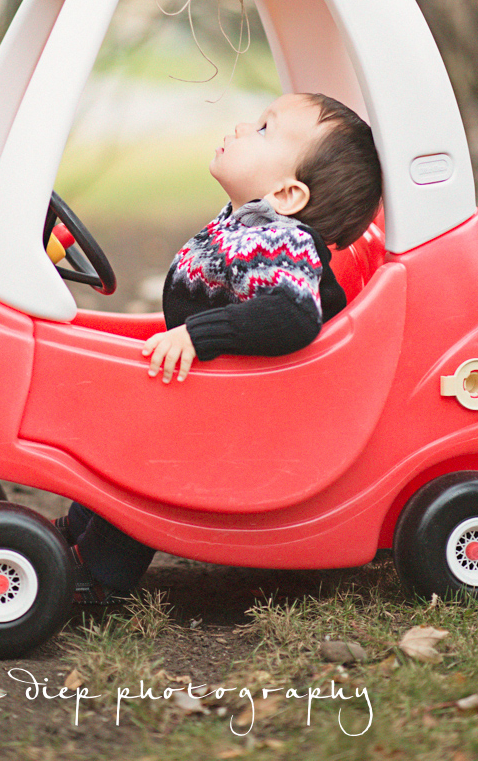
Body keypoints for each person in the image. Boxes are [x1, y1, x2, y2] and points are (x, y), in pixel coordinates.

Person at [55, 92, 383, 603]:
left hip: (257, 417)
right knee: (124, 430)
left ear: (289, 193)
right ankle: (76, 533)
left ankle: (100, 574)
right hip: (225, 397)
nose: (241, 127)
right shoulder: (240, 224)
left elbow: (291, 315)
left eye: (264, 130)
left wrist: (198, 337)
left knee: (147, 459)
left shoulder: (280, 239)